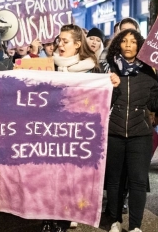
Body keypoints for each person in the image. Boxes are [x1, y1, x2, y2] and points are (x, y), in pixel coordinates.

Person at [42, 24, 117, 232]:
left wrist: (112, 84)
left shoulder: (92, 68)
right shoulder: (50, 65)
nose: (60, 45)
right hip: (49, 131)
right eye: (59, 41)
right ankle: (48, 219)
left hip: (75, 135)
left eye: (65, 41)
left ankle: (62, 222)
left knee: (67, 179)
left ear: (77, 44)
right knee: (48, 177)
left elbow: (105, 100)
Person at [105, 29, 158, 232]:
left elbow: (154, 102)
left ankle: (135, 226)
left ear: (140, 46)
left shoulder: (148, 72)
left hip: (140, 134)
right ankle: (115, 220)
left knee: (137, 180)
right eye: (124, 41)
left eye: (133, 41)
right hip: (113, 132)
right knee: (115, 181)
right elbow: (101, 102)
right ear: (118, 44)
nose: (128, 44)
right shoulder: (109, 70)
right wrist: (112, 87)